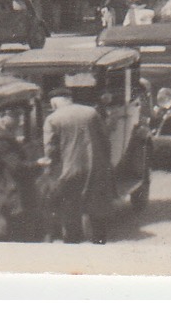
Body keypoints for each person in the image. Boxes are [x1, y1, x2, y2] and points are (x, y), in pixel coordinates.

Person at [43, 87, 108, 244]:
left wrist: (50, 171)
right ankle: (100, 246)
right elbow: (105, 139)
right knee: (96, 210)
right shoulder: (91, 112)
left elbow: (50, 150)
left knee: (71, 212)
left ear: (54, 102)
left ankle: (73, 248)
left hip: (69, 171)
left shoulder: (52, 119)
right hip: (95, 168)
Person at [0, 106, 46, 242]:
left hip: (14, 195)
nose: (19, 121)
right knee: (20, 237)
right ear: (1, 117)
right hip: (14, 197)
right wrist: (39, 164)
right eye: (14, 116)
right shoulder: (2, 138)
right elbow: (17, 168)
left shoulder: (3, 135)